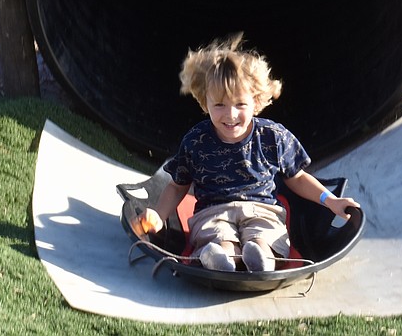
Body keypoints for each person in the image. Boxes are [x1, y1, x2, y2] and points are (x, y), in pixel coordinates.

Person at [139, 33, 360, 272]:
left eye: (240, 105)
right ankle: (222, 258)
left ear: (255, 101)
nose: (230, 115)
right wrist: (159, 216)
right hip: (213, 210)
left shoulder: (273, 137)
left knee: (264, 236)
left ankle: (261, 257)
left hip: (261, 209)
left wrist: (331, 201)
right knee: (217, 236)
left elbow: (296, 178)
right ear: (205, 103)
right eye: (219, 105)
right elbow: (177, 186)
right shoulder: (196, 141)